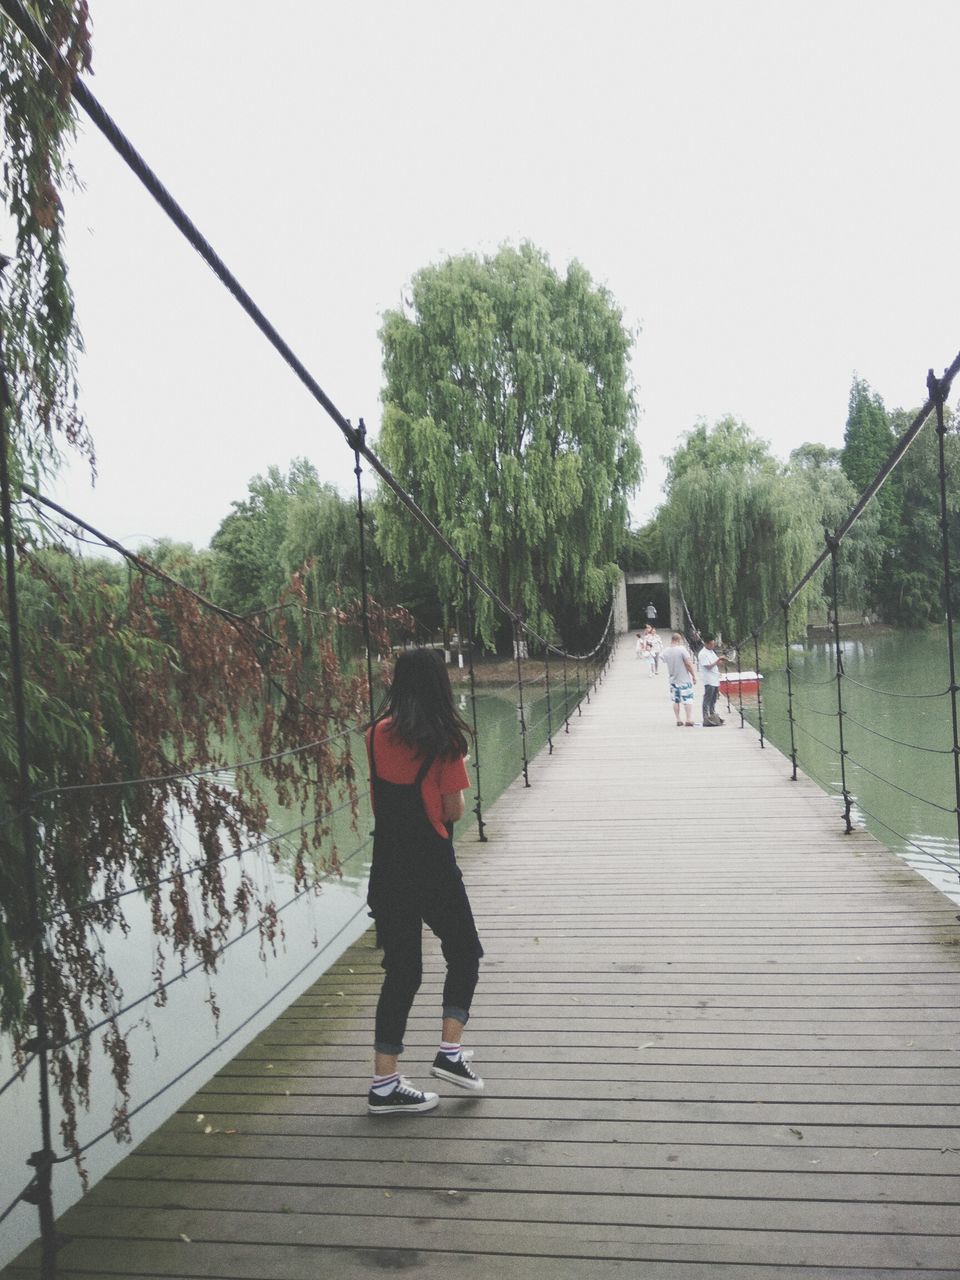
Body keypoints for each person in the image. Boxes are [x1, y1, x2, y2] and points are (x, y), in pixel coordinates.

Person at [365, 648, 484, 1115]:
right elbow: (453, 811)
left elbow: (381, 799)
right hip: (432, 865)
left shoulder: (374, 735)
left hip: (387, 864)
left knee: (402, 973)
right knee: (464, 952)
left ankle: (384, 1084)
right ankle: (449, 1054)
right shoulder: (445, 741)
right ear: (440, 686)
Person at [660, 632, 697, 725]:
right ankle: (688, 719)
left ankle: (678, 719)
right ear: (678, 640)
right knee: (687, 699)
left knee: (676, 700)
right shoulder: (682, 650)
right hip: (684, 679)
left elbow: (663, 659)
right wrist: (693, 675)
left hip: (673, 679)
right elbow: (688, 664)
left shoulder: (666, 651)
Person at [698, 634, 729, 726]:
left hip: (715, 679)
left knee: (714, 699)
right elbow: (708, 666)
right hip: (709, 680)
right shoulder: (703, 654)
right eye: (711, 644)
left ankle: (713, 716)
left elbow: (716, 663)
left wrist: (722, 660)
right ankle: (705, 717)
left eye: (713, 644)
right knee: (707, 699)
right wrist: (718, 659)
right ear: (706, 644)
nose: (713, 646)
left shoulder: (711, 652)